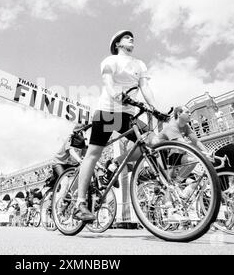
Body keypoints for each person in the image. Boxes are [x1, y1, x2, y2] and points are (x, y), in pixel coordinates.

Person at [73, 30, 163, 222]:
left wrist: (155, 109)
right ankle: (80, 203)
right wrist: (115, 94)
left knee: (152, 141)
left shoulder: (140, 64)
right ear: (117, 44)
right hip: (108, 111)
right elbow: (107, 80)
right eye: (126, 37)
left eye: (132, 37)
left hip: (128, 113)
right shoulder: (110, 60)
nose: (131, 39)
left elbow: (145, 87)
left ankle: (113, 164)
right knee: (93, 152)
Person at [48, 123, 88, 188]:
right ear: (78, 132)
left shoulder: (83, 143)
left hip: (70, 164)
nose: (84, 135)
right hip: (59, 163)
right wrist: (80, 160)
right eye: (82, 132)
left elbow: (88, 156)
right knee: (65, 182)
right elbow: (71, 150)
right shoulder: (71, 138)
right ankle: (60, 198)